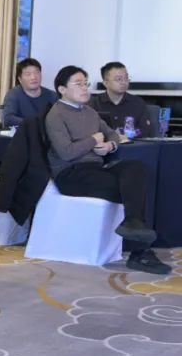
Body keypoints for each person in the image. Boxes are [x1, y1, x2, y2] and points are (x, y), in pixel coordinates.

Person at [45, 66, 168, 275]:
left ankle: (132, 223)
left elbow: (112, 134)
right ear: (62, 89)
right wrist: (93, 140)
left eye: (86, 83)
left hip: (95, 168)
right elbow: (66, 152)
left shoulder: (89, 112)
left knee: (136, 168)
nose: (85, 88)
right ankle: (140, 252)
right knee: (131, 189)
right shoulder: (55, 115)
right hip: (70, 174)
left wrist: (110, 145)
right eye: (78, 84)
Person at [91, 62, 156, 137]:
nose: (123, 82)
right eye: (118, 79)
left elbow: (144, 130)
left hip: (131, 143)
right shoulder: (94, 103)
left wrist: (130, 134)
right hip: (104, 143)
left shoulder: (138, 103)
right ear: (106, 83)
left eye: (126, 78)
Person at [1, 58, 58, 128]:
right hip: (23, 133)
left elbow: (60, 118)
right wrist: (35, 123)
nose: (33, 77)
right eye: (28, 74)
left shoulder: (52, 95)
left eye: (37, 72)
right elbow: (8, 119)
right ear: (20, 79)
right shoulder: (13, 95)